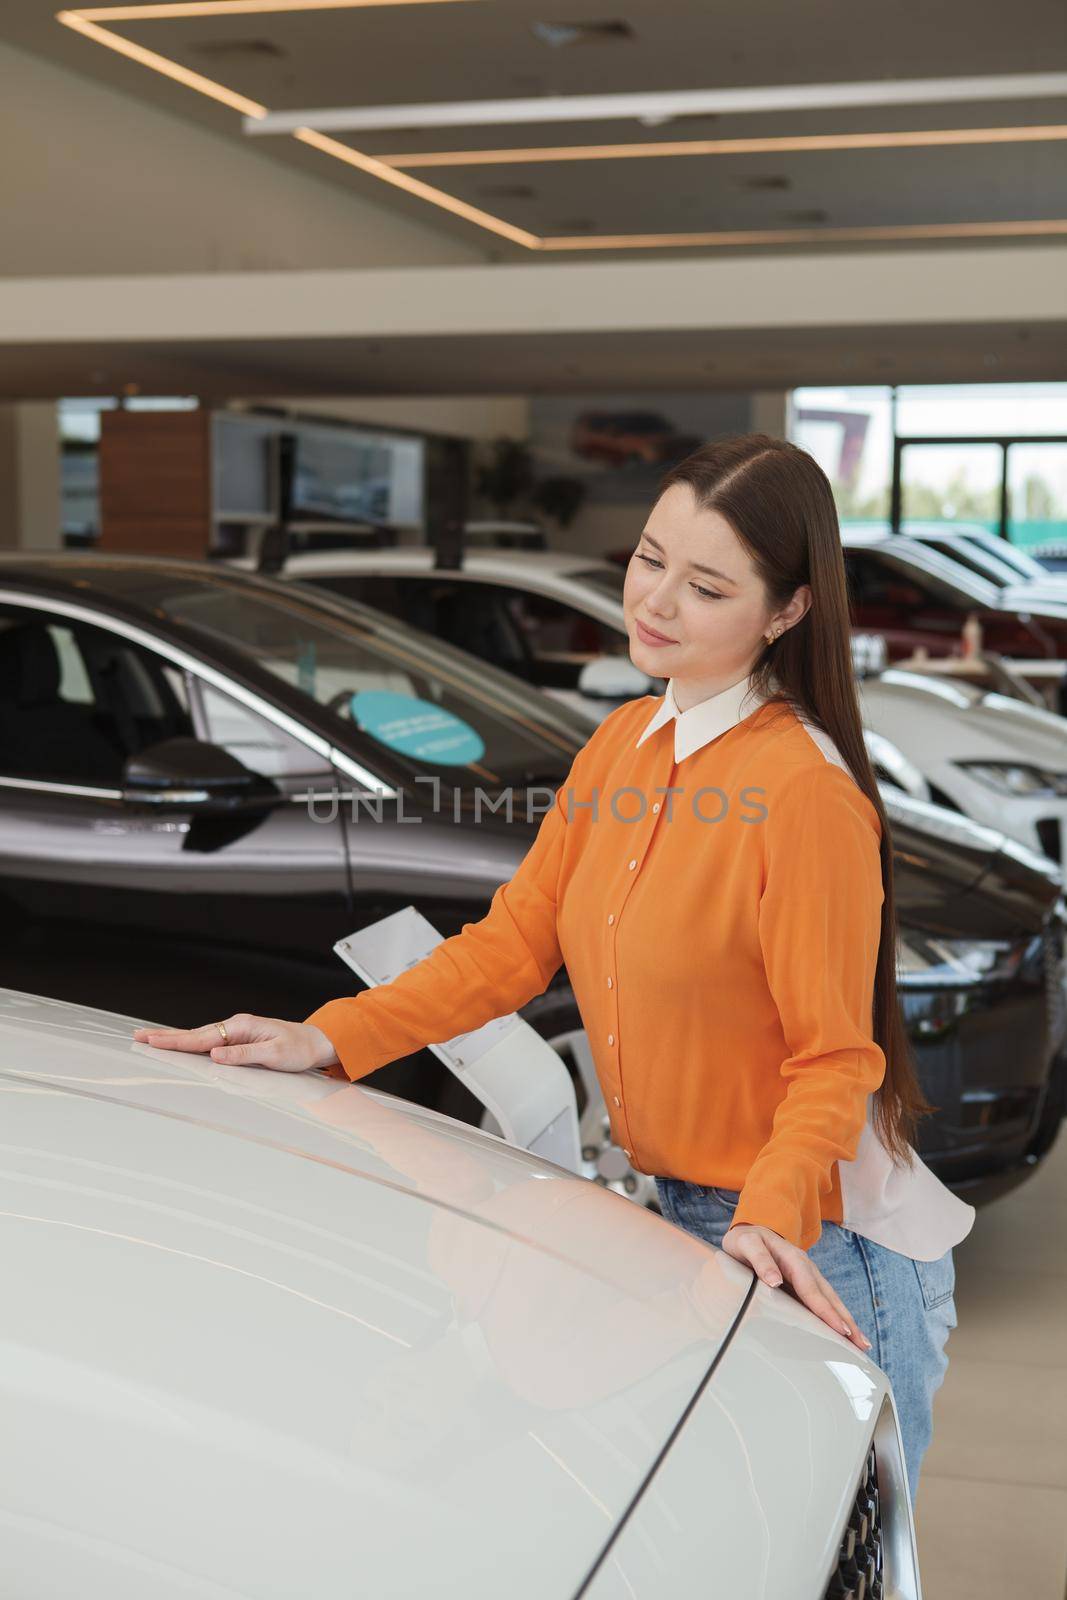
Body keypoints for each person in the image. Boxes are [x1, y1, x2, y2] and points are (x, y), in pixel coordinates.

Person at [135, 432, 974, 1506]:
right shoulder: (622, 744)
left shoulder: (800, 791)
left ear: (785, 611)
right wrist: (328, 1034)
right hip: (690, 1212)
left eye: (705, 584)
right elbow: (511, 945)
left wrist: (767, 1211)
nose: (656, 600)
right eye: (647, 558)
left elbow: (832, 1055)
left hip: (817, 1234)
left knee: (831, 1542)